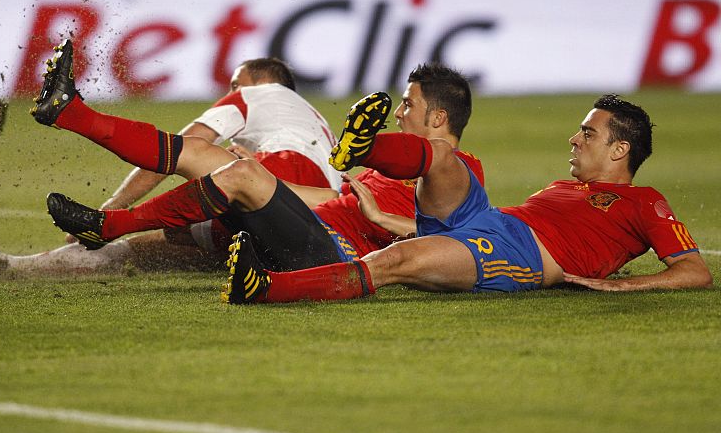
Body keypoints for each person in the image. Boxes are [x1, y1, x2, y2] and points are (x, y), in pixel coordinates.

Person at [25, 39, 484, 283]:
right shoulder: (385, 171)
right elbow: (332, 197)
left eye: (408, 105)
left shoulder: (463, 171)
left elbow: (459, 244)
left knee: (219, 166)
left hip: (330, 253)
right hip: (302, 223)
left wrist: (382, 217)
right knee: (207, 176)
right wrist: (270, 184)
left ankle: (108, 224)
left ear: (439, 117)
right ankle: (71, 114)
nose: (400, 113)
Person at [223, 94, 713, 303]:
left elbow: (695, 271)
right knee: (441, 157)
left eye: (588, 133)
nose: (574, 139)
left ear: (620, 149)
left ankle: (264, 289)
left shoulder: (644, 200)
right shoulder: (568, 187)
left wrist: (629, 287)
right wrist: (386, 215)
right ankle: (362, 148)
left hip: (519, 255)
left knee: (394, 262)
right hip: (487, 223)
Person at [0, 43, 341, 274]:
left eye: (235, 83)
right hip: (313, 236)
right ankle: (15, 266)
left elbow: (178, 151)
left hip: (274, 193)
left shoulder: (257, 95)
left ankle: (98, 206)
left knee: (190, 155)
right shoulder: (319, 124)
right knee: (153, 248)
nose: (229, 90)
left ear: (256, 81)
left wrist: (114, 200)